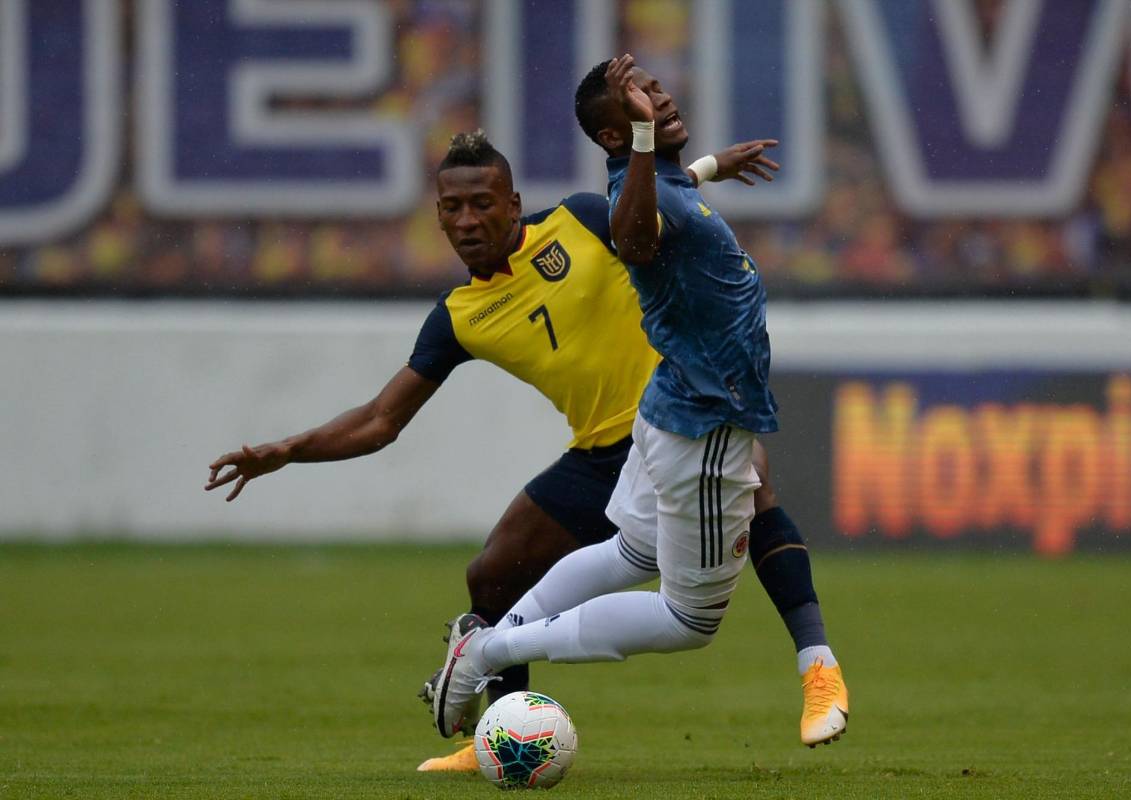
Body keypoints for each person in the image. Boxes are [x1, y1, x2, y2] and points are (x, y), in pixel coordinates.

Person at [206, 128, 839, 772]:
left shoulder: (578, 220)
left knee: (755, 486)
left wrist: (701, 168)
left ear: (513, 203)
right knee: (493, 572)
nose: (468, 219)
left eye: (482, 202)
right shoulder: (459, 315)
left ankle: (817, 671)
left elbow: (642, 221)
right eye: (452, 208)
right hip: (600, 455)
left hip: (676, 419)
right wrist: (288, 450)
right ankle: (499, 737)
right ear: (438, 219)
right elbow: (379, 420)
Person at [428, 56, 848, 755]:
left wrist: (708, 163)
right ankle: (487, 655)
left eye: (655, 88)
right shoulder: (637, 193)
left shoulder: (654, 180)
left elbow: (656, 201)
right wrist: (653, 143)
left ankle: (484, 643)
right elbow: (637, 234)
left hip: (665, 404)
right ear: (621, 138)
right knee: (689, 619)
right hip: (703, 423)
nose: (663, 97)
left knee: (628, 549)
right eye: (643, 101)